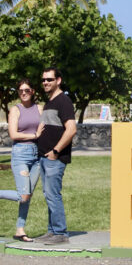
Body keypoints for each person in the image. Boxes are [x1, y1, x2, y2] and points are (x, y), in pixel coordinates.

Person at [0, 79, 41, 242]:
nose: (23, 92)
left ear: (33, 91)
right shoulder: (15, 110)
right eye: (20, 90)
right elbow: (13, 134)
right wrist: (34, 136)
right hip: (21, 154)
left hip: (37, 156)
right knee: (23, 195)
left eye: (27, 90)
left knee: (28, 195)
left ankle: (20, 229)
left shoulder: (40, 109)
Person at [35, 66, 77, 245]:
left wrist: (56, 151)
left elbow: (71, 129)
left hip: (55, 158)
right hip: (44, 157)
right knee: (48, 194)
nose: (45, 82)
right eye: (44, 79)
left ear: (58, 81)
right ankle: (52, 231)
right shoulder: (49, 102)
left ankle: (60, 233)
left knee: (53, 195)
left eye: (49, 79)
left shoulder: (63, 101)